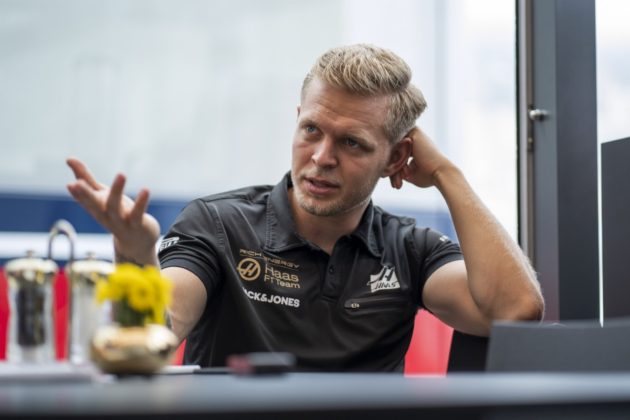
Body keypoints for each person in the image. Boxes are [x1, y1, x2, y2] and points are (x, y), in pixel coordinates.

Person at [67, 44, 544, 371]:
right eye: (311, 130)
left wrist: (445, 174)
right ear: (297, 121)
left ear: (396, 157)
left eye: (352, 143)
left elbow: (516, 311)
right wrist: (135, 256)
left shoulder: (409, 248)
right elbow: (163, 329)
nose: (321, 157)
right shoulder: (218, 223)